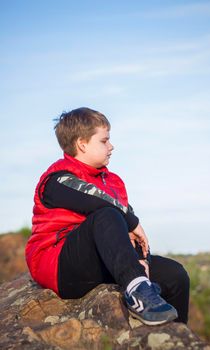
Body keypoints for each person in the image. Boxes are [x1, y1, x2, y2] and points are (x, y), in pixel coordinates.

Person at [25, 107, 189, 325]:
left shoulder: (113, 182)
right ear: (82, 144)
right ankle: (138, 294)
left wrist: (141, 259)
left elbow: (129, 233)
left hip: (105, 260)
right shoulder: (56, 180)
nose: (111, 147)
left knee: (175, 274)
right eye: (104, 141)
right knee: (107, 215)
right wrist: (132, 220)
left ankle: (175, 337)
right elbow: (102, 205)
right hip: (61, 267)